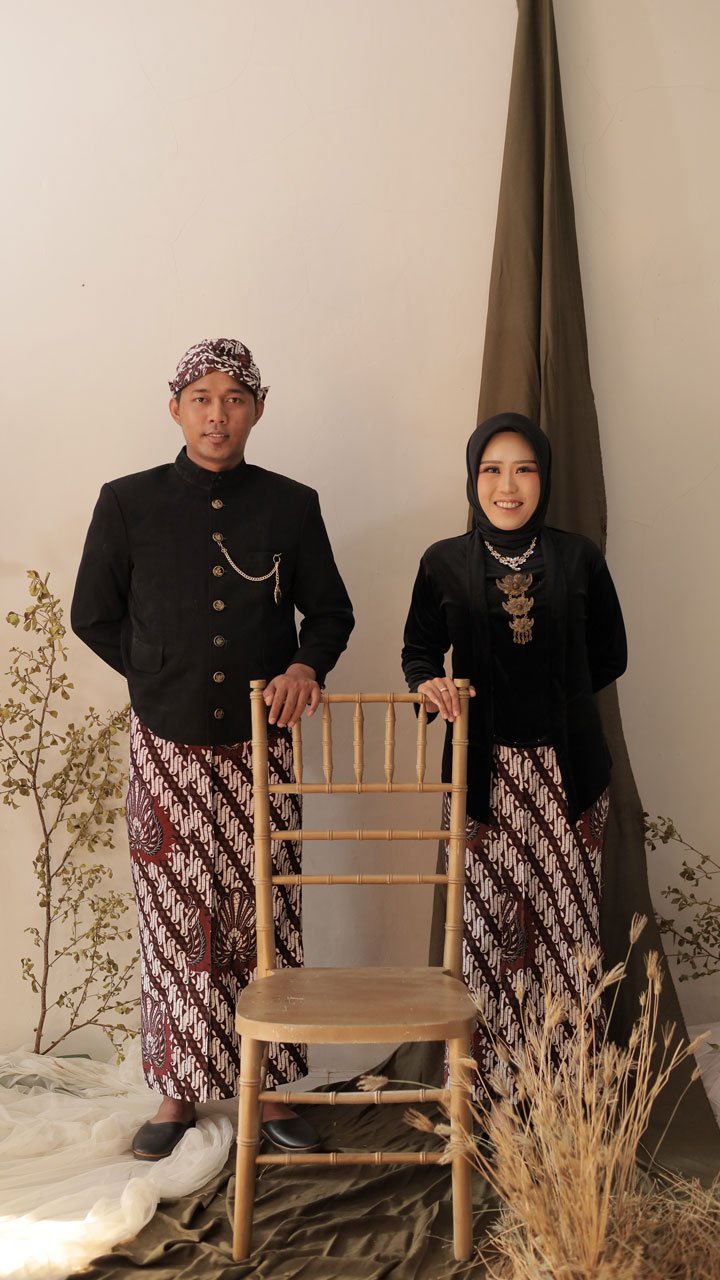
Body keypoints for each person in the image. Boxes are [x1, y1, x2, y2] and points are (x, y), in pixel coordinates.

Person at [72, 338, 354, 1158]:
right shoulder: (127, 502)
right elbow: (93, 614)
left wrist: (304, 665)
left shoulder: (291, 505)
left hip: (260, 747)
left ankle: (270, 1090)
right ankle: (175, 1096)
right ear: (176, 409)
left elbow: (329, 613)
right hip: (164, 745)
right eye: (201, 397)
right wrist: (158, 671)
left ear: (258, 410)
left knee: (266, 913)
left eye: (234, 398)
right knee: (173, 921)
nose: (217, 413)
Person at [401, 412, 626, 1099]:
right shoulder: (443, 561)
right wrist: (428, 684)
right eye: (492, 470)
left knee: (567, 934)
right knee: (484, 934)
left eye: (524, 469)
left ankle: (566, 1096)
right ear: (474, 479)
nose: (508, 486)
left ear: (544, 478)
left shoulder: (579, 557)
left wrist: (555, 699)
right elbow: (418, 652)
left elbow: (611, 653)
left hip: (568, 774)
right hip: (482, 777)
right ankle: (486, 1094)